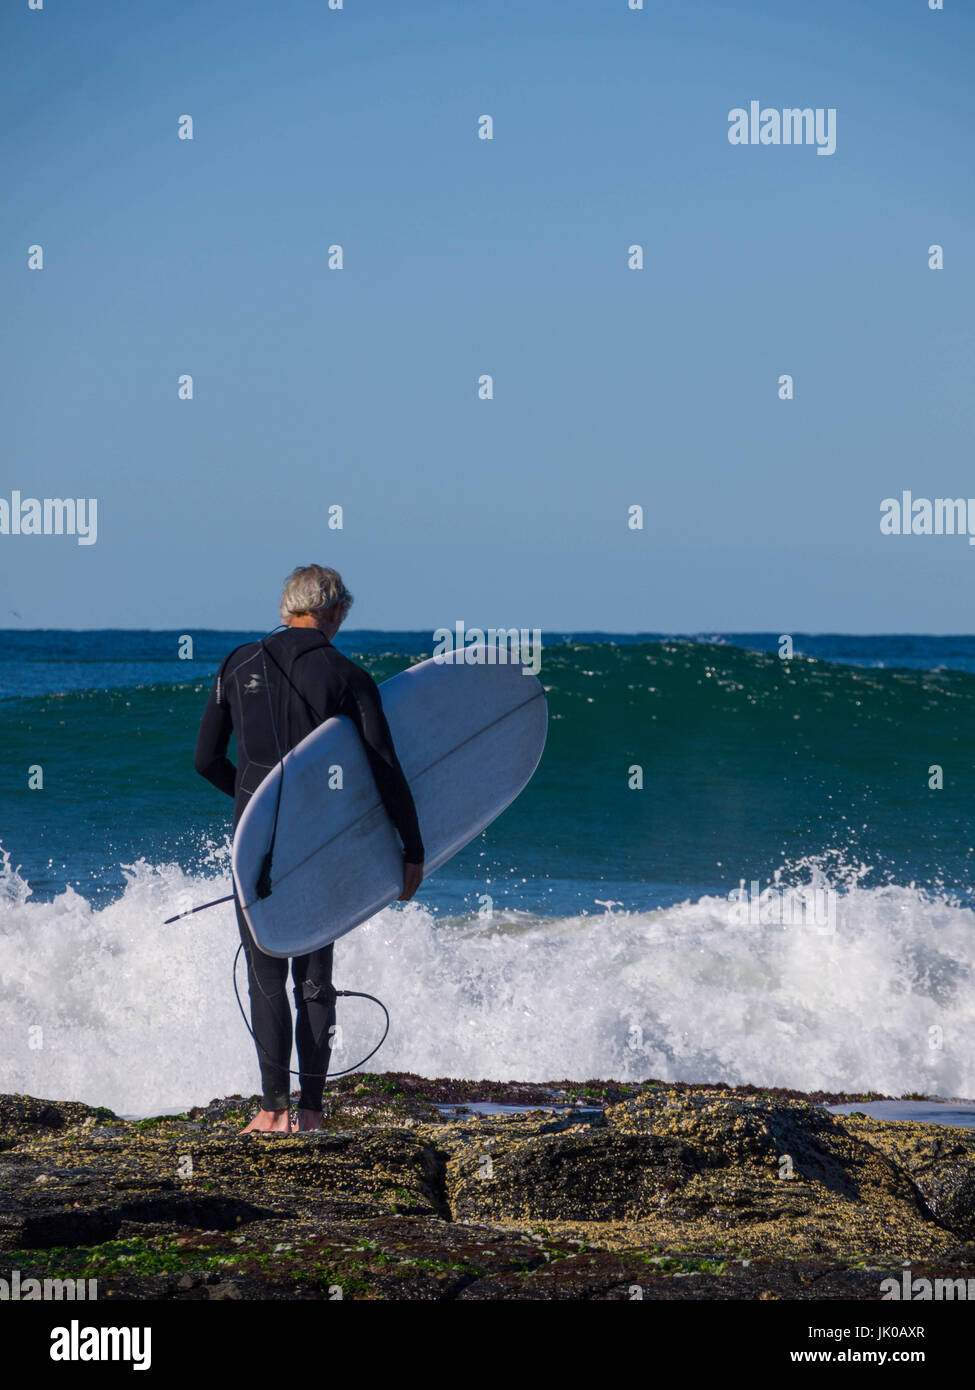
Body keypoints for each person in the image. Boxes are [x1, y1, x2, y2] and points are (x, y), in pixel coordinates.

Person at [194, 565, 424, 1134]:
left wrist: (256, 807)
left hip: (255, 846)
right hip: (318, 846)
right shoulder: (347, 675)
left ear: (285, 607)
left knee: (264, 972)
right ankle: (312, 1113)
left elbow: (205, 760)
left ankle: (271, 1110)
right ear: (335, 611)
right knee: (314, 976)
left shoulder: (235, 664)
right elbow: (384, 768)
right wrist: (410, 848)